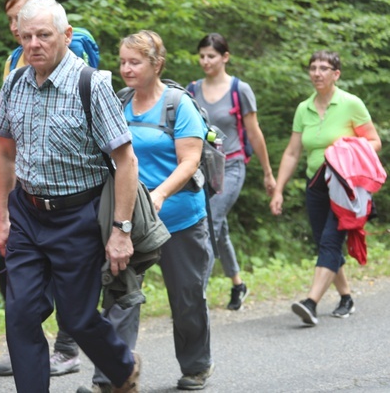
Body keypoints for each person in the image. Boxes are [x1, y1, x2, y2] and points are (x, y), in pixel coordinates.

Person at [0, 0, 141, 392]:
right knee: (20, 314)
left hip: (79, 215)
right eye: (27, 36)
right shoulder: (14, 84)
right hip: (26, 212)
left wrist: (121, 231)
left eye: (44, 35)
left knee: (76, 318)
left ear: (66, 35)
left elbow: (126, 162)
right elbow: (5, 152)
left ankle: (123, 368)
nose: (35, 44)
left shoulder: (91, 84)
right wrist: (3, 217)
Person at [100, 30, 214, 391]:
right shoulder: (118, 103)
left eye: (135, 62)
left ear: (157, 64)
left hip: (180, 218)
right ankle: (113, 375)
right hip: (128, 220)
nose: (126, 69)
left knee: (187, 298)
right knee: (121, 297)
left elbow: (190, 160)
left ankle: (196, 366)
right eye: (122, 62)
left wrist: (161, 193)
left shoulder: (178, 104)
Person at [0, 0, 84, 378]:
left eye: (25, 21)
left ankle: (67, 343)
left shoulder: (79, 67)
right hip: (27, 195)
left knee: (75, 298)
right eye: (14, 22)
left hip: (76, 200)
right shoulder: (15, 63)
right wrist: (4, 185)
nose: (19, 31)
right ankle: (27, 337)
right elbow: (8, 140)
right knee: (10, 269)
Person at [269, 50, 381, 326]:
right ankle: (346, 297)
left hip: (346, 187)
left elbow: (374, 142)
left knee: (331, 240)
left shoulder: (351, 103)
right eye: (313, 68)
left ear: (336, 74)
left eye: (324, 68)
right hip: (316, 185)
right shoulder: (303, 108)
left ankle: (311, 302)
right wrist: (279, 189)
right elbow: (293, 152)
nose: (317, 73)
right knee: (324, 242)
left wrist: (347, 150)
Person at [190, 33, 276, 310]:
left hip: (233, 166)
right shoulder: (191, 90)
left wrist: (267, 173)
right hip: (203, 169)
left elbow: (255, 132)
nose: (206, 61)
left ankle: (195, 297)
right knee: (220, 229)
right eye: (202, 56)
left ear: (225, 57)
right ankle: (238, 284)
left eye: (211, 56)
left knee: (210, 222)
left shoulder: (240, 89)